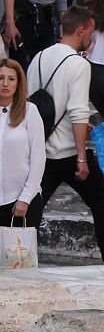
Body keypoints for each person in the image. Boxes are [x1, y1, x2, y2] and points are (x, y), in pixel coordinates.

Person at [30, 5, 104, 263]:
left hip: (41, 152)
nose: (91, 38)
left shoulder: (38, 57)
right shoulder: (79, 64)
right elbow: (78, 111)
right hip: (68, 152)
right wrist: (82, 156)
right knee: (101, 202)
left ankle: (18, 258)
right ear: (81, 31)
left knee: (32, 209)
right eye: (90, 32)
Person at [0, 58, 44, 228]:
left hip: (20, 200)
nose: (5, 83)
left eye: (11, 79)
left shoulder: (29, 112)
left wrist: (25, 198)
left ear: (18, 83)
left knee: (18, 254)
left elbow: (38, 158)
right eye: (1, 78)